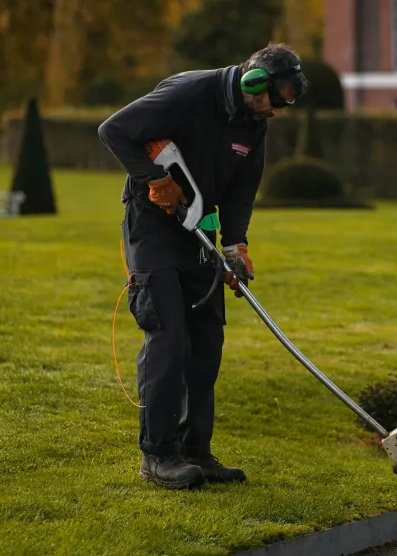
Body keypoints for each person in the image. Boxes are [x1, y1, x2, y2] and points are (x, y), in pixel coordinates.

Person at [98, 43, 308, 490]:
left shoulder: (254, 123)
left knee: (206, 338)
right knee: (169, 333)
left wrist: (235, 246)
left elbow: (241, 190)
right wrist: (155, 179)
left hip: (198, 228)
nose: (276, 111)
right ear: (254, 81)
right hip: (153, 227)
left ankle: (196, 451)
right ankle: (157, 455)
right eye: (276, 99)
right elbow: (113, 130)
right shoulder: (189, 93)